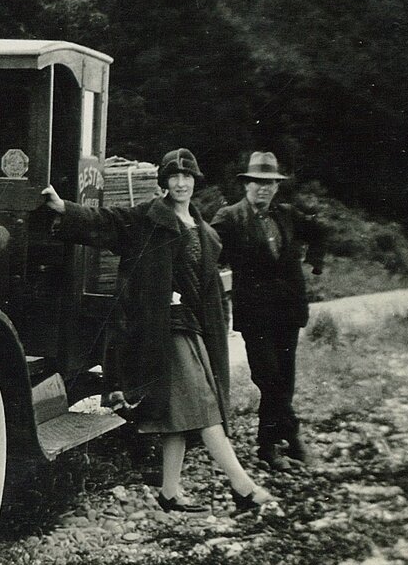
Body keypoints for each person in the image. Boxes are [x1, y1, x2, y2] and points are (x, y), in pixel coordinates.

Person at [42, 148, 276, 514]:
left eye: (187, 177)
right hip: (161, 329)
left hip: (195, 329)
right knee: (205, 409)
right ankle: (243, 488)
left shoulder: (205, 230)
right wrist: (63, 208)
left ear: (195, 181)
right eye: (173, 176)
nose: (180, 183)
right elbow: (106, 219)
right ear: (163, 181)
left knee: (181, 414)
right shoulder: (146, 218)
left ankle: (169, 492)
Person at [211, 151, 326, 472]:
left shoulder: (287, 214)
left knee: (284, 379)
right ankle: (292, 435)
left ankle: (267, 445)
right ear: (246, 185)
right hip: (255, 314)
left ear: (277, 187)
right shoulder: (230, 217)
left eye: (270, 184)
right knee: (268, 377)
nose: (263, 189)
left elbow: (320, 230)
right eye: (257, 183)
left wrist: (316, 262)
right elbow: (205, 246)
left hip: (289, 311)